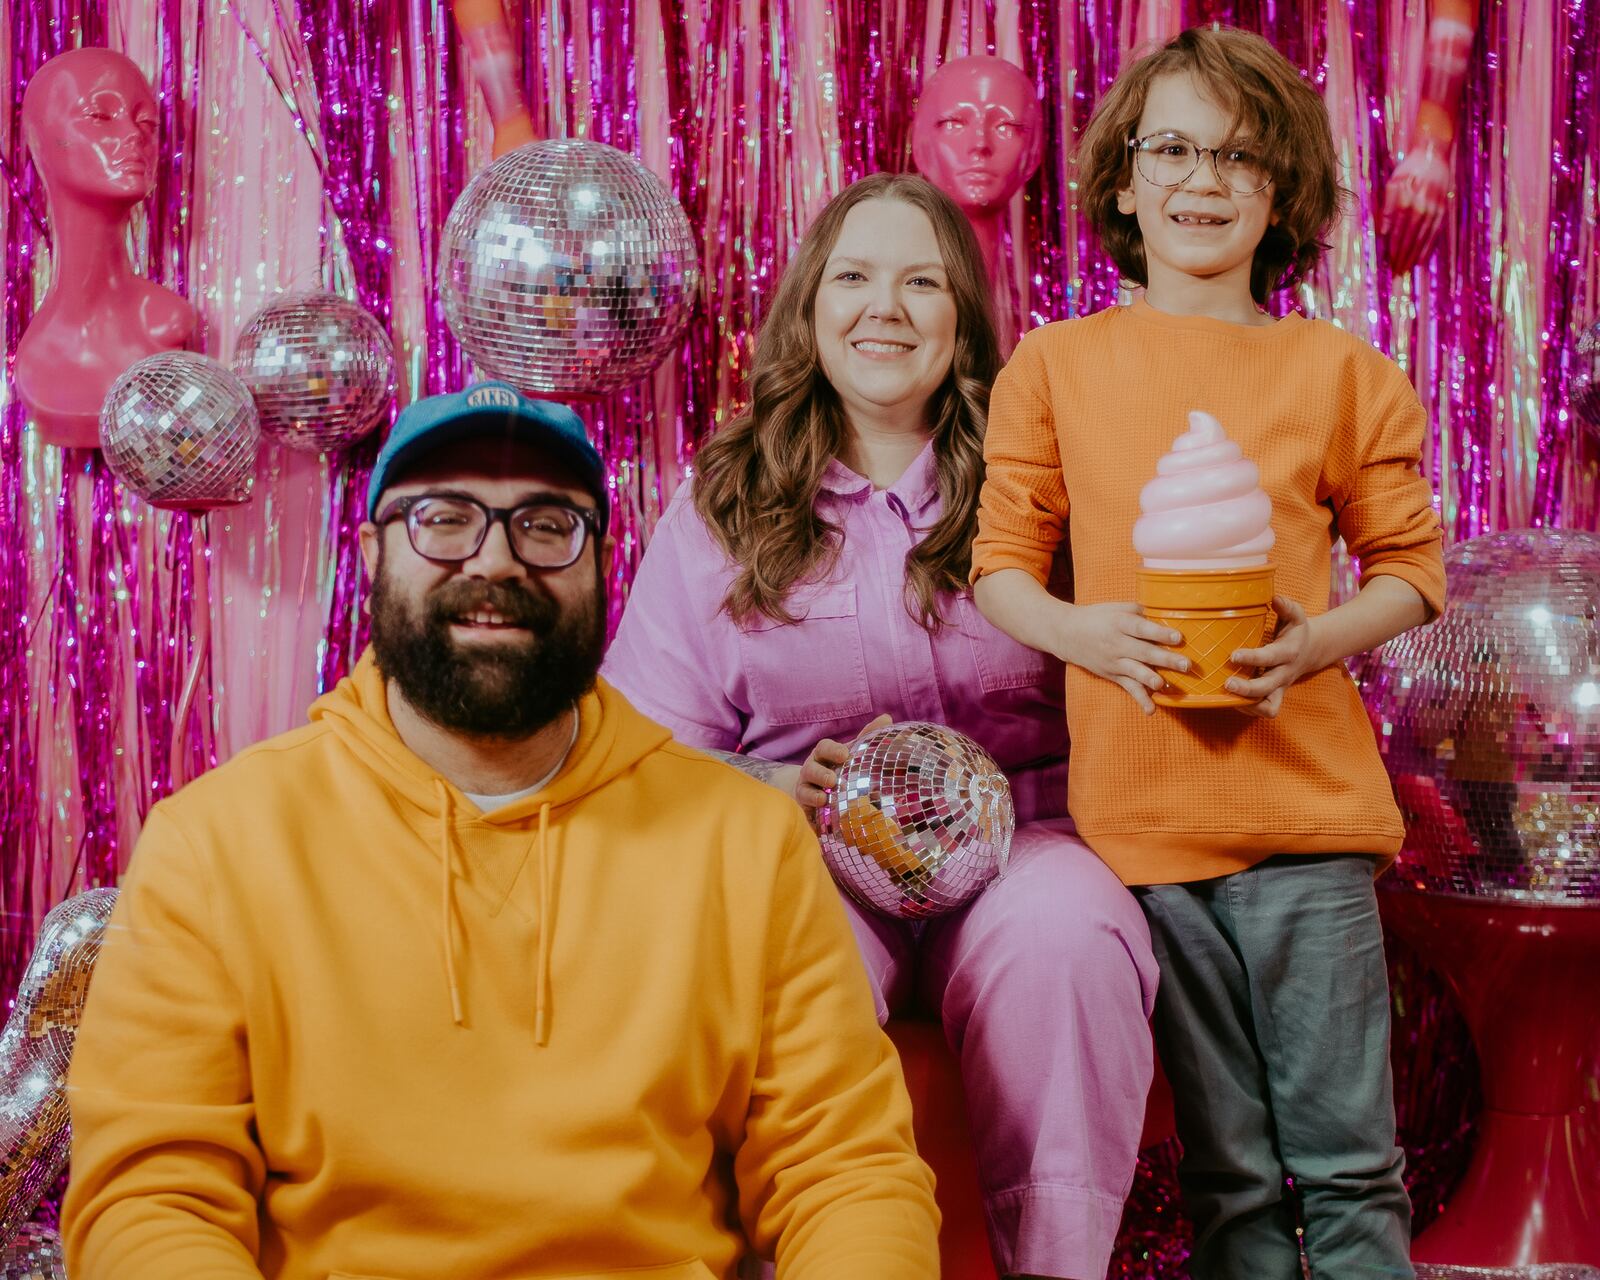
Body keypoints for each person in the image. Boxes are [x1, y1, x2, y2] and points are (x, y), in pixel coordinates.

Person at [62, 381, 940, 1279]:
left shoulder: (745, 845)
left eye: (546, 524)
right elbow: (153, 1196)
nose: (497, 562)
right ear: (371, 555)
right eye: (443, 518)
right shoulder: (214, 845)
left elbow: (844, 1173)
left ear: (601, 562)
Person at [604, 172, 1159, 1280]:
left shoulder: (1042, 479)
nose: (885, 308)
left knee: (1070, 935)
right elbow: (640, 746)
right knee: (763, 957)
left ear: (963, 319)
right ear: (810, 309)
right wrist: (767, 795)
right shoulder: (724, 497)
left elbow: (1132, 660)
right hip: (803, 855)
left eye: (921, 282)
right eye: (854, 278)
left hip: (1023, 849)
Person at [970, 26, 1445, 1280]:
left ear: (1280, 192)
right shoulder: (1056, 364)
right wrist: (1079, 630)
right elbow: (1000, 565)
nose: (1203, 179)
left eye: (1240, 157)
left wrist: (1312, 644)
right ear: (1122, 180)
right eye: (1172, 147)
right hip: (1141, 833)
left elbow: (1412, 573)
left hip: (1307, 822)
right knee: (1227, 1174)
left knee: (1348, 1168)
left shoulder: (1336, 370)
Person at [16, 47, 196, 449]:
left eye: (146, 121)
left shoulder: (167, 323)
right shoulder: (36, 357)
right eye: (99, 115)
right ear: (41, 141)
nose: (134, 135)